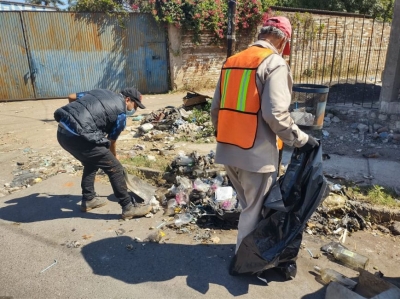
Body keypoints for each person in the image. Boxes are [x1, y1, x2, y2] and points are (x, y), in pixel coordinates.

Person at [210, 16, 318, 266]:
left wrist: (225, 137)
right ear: (282, 39)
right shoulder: (273, 63)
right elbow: (276, 115)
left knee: (248, 204)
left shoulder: (232, 61)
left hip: (228, 151)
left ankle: (248, 251)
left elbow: (216, 109)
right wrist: (301, 139)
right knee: (253, 210)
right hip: (256, 155)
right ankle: (245, 262)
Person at [54, 87, 152, 219]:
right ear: (127, 100)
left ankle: (88, 199)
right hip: (79, 138)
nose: (135, 110)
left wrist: (77, 119)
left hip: (62, 133)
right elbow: (111, 142)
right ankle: (128, 207)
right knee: (115, 169)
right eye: (135, 105)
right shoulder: (121, 114)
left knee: (91, 163)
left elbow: (71, 96)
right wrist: (114, 158)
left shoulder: (99, 92)